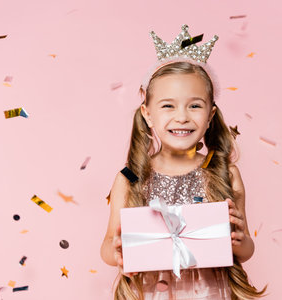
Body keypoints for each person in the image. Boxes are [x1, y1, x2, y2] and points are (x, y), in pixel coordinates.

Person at [100, 24, 268, 300]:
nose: (182, 117)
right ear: (147, 113)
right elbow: (107, 246)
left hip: (210, 293)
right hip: (150, 293)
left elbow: (247, 249)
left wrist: (239, 241)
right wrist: (117, 250)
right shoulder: (130, 177)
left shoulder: (225, 173)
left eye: (194, 105)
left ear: (210, 114)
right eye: (168, 105)